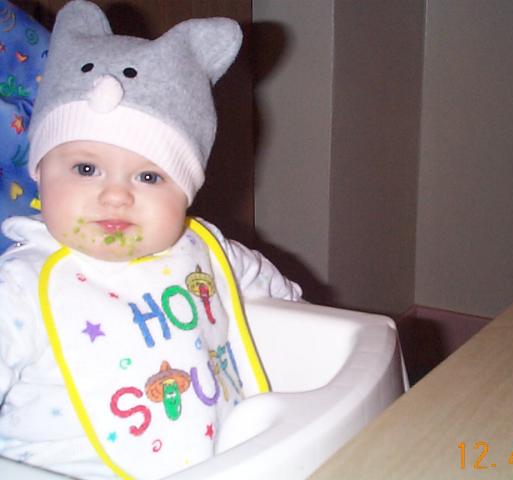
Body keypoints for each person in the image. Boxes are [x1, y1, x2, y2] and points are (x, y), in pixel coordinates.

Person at [0, 1, 301, 479]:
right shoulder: (21, 287)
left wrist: (305, 324)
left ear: (186, 192)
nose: (116, 195)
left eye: (149, 176)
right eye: (85, 168)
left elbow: (268, 289)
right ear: (40, 173)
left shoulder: (203, 249)